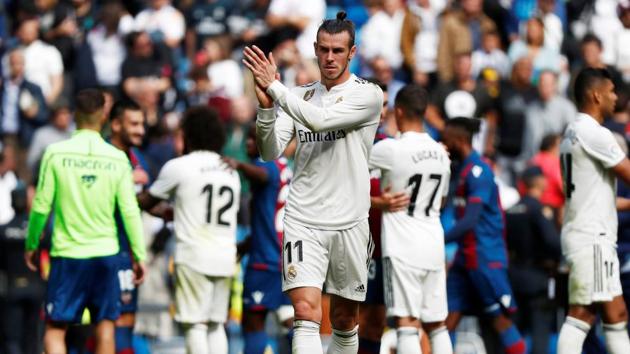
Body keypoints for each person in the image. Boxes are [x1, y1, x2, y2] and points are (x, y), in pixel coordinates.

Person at [243, 11, 384, 354]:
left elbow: (320, 122)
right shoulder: (301, 95)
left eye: (338, 51)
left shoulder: (368, 95)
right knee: (305, 312)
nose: (330, 58)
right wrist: (265, 111)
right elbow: (269, 150)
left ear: (352, 52)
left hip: (350, 220)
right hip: (303, 217)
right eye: (324, 50)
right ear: (315, 50)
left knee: (344, 318)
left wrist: (275, 89)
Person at [24, 89, 146, 354]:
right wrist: (139, 254)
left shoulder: (56, 153)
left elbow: (41, 205)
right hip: (106, 253)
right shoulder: (116, 158)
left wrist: (32, 244)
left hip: (68, 255)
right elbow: (129, 210)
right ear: (103, 115)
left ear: (75, 116)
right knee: (105, 326)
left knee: (56, 328)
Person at [138, 106, 240, 354]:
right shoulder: (229, 170)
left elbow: (145, 202)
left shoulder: (179, 166)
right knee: (216, 324)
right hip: (225, 255)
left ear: (188, 135)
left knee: (194, 324)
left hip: (194, 255)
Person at [369, 84, 452, 354]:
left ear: (399, 111)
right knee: (437, 324)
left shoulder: (390, 149)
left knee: (406, 322)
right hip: (433, 242)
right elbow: (440, 200)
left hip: (402, 246)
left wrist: (378, 202)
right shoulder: (442, 153)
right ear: (425, 112)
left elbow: (346, 169)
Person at [556, 68, 630, 353]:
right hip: (593, 238)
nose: (616, 97)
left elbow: (601, 197)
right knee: (582, 314)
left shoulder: (573, 130)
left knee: (614, 313)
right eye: (611, 91)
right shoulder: (594, 132)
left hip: (588, 233)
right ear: (596, 95)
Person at [441, 117, 526, 354]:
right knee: (446, 321)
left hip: (485, 257)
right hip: (464, 258)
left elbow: (470, 220)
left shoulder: (479, 172)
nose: (444, 144)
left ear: (459, 140)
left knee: (500, 320)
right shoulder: (462, 170)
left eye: (447, 140)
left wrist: (438, 241)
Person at [224, 126, 294, 354]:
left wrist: (239, 165)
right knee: (290, 321)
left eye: (254, 140)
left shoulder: (267, 163)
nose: (248, 145)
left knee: (253, 321)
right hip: (285, 258)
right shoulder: (285, 165)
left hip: (265, 260)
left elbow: (263, 176)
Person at [109, 100, 153, 354]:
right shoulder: (102, 155)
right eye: (134, 124)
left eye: (142, 124)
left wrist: (167, 211)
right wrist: (125, 178)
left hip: (129, 253)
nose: (140, 130)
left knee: (126, 321)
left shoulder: (139, 159)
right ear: (115, 124)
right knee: (103, 323)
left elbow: (139, 200)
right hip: (104, 250)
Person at [505, 166, 561, 354]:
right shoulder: (538, 209)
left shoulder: (511, 210)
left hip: (514, 277)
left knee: (515, 333)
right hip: (537, 278)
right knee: (539, 335)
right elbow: (553, 242)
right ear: (538, 182)